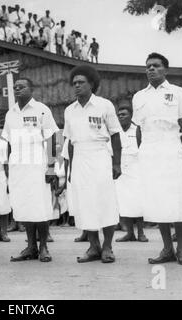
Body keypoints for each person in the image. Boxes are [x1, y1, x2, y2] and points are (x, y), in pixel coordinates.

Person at [132, 52, 182, 265]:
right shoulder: (139, 96)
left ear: (165, 69)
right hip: (150, 152)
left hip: (172, 149)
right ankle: (167, 249)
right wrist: (142, 152)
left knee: (176, 200)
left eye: (156, 66)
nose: (151, 69)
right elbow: (140, 129)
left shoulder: (178, 92)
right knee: (158, 201)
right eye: (148, 66)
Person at [64, 65, 122, 263]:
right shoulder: (69, 110)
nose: (77, 86)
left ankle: (107, 247)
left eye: (81, 82)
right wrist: (71, 168)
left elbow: (115, 136)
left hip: (100, 156)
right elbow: (70, 143)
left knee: (104, 202)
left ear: (92, 84)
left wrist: (117, 164)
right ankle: (93, 246)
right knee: (85, 204)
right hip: (80, 158)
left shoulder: (105, 105)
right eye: (74, 83)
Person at [3, 78, 59, 263]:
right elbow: (8, 143)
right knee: (24, 206)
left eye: (22, 86)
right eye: (15, 87)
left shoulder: (41, 109)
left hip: (37, 161)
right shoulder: (10, 113)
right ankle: (31, 247)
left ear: (31, 89)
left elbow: (52, 139)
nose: (18, 89)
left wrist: (51, 167)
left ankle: (43, 246)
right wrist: (7, 170)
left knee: (39, 206)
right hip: (17, 164)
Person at [114, 104, 148, 242]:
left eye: (124, 114)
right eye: (119, 114)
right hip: (121, 170)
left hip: (136, 169)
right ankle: (129, 233)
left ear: (131, 116)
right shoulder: (115, 132)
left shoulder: (138, 130)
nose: (120, 116)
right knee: (124, 203)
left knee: (138, 202)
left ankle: (141, 233)